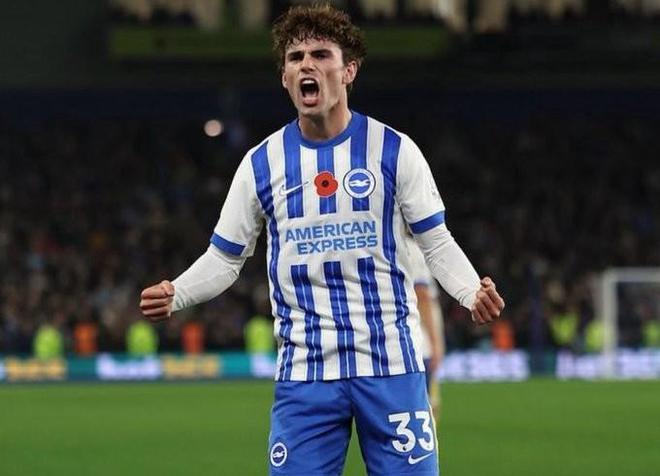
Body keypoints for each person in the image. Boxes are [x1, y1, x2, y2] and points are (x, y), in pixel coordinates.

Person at [139, 4, 504, 475]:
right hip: (306, 375)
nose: (306, 65)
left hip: (390, 367)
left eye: (320, 54)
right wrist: (178, 292)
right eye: (295, 58)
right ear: (284, 78)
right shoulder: (261, 164)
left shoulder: (395, 151)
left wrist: (471, 291)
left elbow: (435, 242)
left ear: (349, 70)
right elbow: (225, 259)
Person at [404, 232, 445, 417]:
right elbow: (422, 296)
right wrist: (435, 343)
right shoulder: (414, 250)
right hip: (420, 334)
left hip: (405, 331)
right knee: (426, 405)